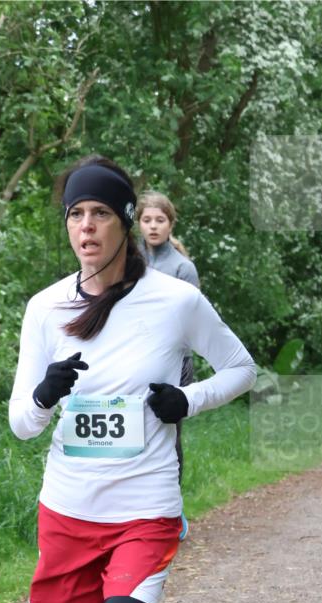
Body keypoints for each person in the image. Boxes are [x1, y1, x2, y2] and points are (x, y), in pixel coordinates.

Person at [9, 155, 256, 603]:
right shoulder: (45, 308)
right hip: (68, 506)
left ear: (124, 223)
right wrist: (43, 395)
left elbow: (239, 367)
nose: (84, 227)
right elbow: (22, 425)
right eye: (73, 215)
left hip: (142, 507)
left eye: (97, 214)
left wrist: (188, 399)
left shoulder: (174, 301)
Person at [138, 191, 200, 538]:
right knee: (139, 433)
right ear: (139, 224)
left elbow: (192, 320)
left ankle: (173, 511)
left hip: (177, 362)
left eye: (159, 220)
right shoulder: (130, 261)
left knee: (169, 433)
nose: (153, 226)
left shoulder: (182, 267)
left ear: (170, 223)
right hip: (137, 359)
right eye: (147, 220)